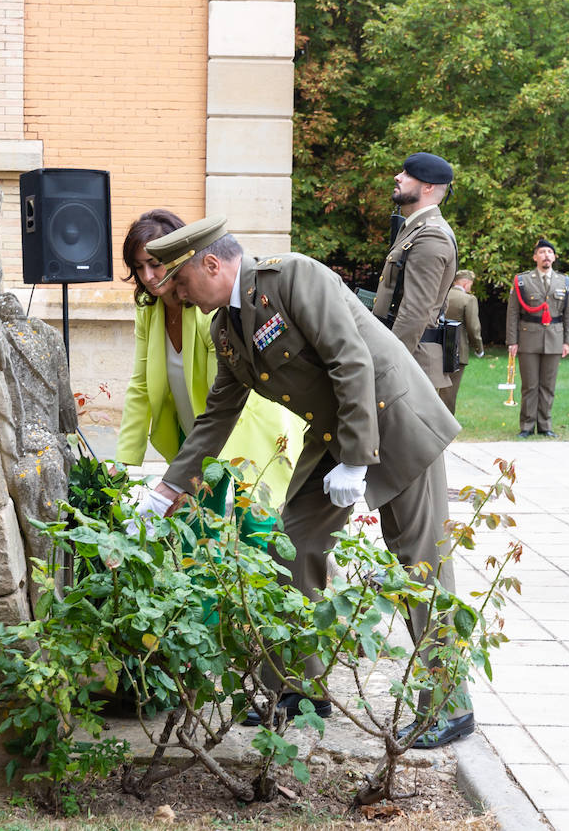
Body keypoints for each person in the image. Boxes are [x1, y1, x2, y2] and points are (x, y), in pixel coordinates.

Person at [142, 217, 473, 748]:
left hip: (395, 422)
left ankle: (449, 705)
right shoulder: (225, 329)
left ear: (210, 264)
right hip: (338, 438)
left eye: (179, 284)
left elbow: (351, 359)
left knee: (418, 560)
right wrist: (166, 489)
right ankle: (301, 685)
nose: (178, 297)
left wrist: (360, 458)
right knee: (290, 544)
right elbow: (217, 417)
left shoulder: (293, 278)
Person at [115, 209, 303, 507]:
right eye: (138, 267)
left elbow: (224, 394)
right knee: (197, 531)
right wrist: (123, 463)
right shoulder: (148, 309)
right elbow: (140, 385)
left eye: (154, 264)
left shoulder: (206, 307)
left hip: (241, 426)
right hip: (193, 430)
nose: (148, 277)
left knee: (253, 527)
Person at [372, 152, 458, 390]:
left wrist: (387, 365)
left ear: (428, 186)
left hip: (411, 364)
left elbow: (415, 312)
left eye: (408, 174)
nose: (397, 177)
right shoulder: (414, 229)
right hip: (408, 359)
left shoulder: (431, 235)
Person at [506, 238, 569, 437]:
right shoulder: (522, 280)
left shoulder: (564, 281)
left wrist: (567, 341)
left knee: (548, 385)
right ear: (535, 257)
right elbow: (513, 313)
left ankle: (545, 425)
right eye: (542, 252)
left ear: (554, 257)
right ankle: (527, 425)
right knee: (530, 385)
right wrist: (512, 341)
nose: (546, 256)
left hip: (554, 337)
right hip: (529, 337)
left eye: (550, 252)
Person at [440, 270, 484, 414]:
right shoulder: (468, 299)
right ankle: (445, 426)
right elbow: (473, 327)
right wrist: (479, 348)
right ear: (466, 283)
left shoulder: (442, 295)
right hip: (458, 350)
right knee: (449, 392)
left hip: (436, 346)